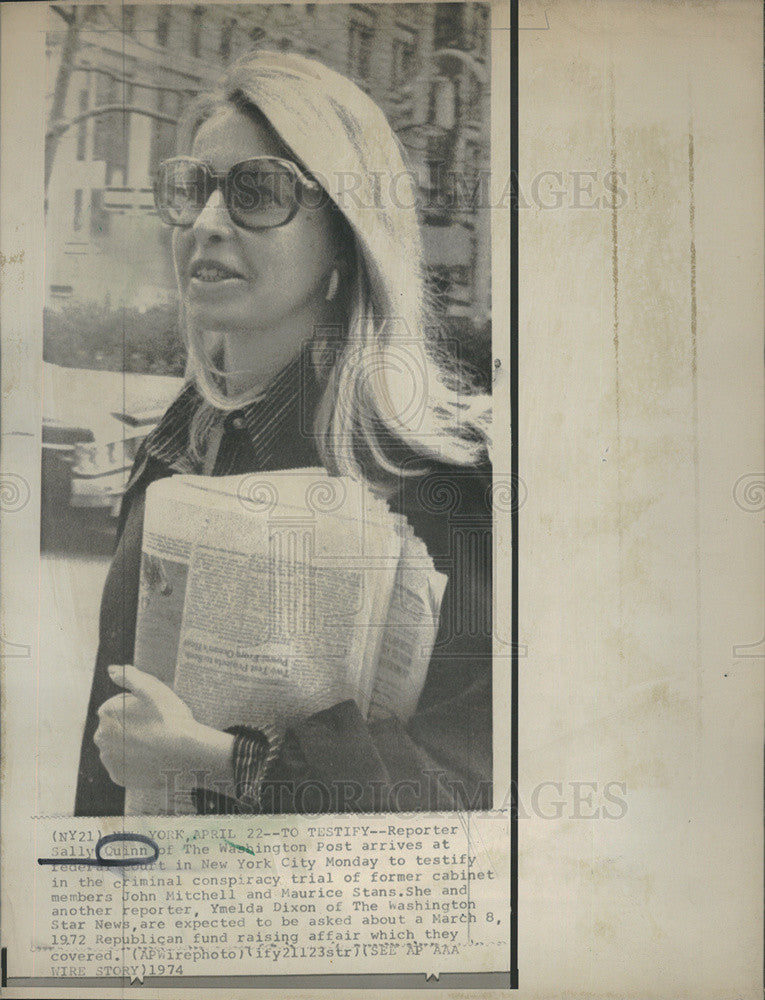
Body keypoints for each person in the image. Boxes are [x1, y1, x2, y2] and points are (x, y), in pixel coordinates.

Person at [74, 50, 493, 817]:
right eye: (190, 188)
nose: (204, 223)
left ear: (345, 231)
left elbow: (465, 797)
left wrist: (220, 762)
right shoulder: (182, 436)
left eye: (256, 192)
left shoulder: (435, 478)